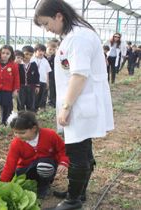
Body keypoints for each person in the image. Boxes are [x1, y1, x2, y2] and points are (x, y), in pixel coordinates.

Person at [34, 0, 114, 209]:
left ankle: (73, 200)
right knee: (83, 149)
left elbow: (79, 75)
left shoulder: (78, 37)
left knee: (77, 150)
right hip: (82, 100)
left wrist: (66, 107)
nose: (47, 28)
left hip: (80, 102)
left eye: (46, 22)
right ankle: (78, 191)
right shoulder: (75, 34)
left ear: (59, 16)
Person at [0, 111, 69, 199]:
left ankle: (43, 186)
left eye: (22, 133)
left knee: (44, 164)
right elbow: (10, 165)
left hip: (46, 167)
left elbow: (63, 150)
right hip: (26, 170)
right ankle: (30, 185)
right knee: (15, 175)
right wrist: (2, 183)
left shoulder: (50, 135)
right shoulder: (16, 143)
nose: (18, 136)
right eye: (15, 133)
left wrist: (63, 162)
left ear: (34, 128)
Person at [0, 45, 19, 127]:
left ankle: (4, 121)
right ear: (0, 53)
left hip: (7, 89)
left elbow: (16, 78)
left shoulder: (14, 65)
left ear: (11, 55)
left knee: (5, 106)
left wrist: (15, 89)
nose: (5, 55)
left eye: (7, 53)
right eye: (3, 53)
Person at [17, 45, 40, 112]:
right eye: (26, 54)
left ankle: (30, 118)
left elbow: (37, 76)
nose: (28, 56)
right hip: (21, 87)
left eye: (30, 55)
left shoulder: (33, 64)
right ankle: (21, 118)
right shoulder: (19, 65)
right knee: (21, 103)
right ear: (22, 53)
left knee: (31, 103)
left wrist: (37, 86)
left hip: (31, 87)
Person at [31, 43, 51, 111]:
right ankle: (34, 108)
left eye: (43, 51)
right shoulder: (32, 59)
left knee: (43, 95)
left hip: (43, 81)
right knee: (35, 95)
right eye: (39, 51)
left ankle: (42, 107)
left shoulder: (45, 61)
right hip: (35, 81)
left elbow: (47, 72)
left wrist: (47, 82)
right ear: (35, 51)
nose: (41, 52)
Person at [46, 40, 58, 108]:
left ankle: (54, 102)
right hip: (48, 76)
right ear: (46, 48)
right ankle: (50, 102)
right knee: (50, 90)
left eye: (53, 50)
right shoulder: (44, 58)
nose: (51, 51)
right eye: (50, 49)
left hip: (54, 76)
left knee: (54, 89)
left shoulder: (54, 58)